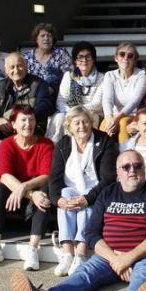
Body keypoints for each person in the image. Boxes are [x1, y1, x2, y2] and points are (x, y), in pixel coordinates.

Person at [9, 149, 146, 291]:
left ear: (144, 168)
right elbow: (91, 233)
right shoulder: (108, 192)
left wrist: (128, 258)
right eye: (126, 167)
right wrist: (115, 259)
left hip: (145, 257)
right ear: (117, 172)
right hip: (109, 256)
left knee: (143, 277)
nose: (132, 170)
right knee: (84, 274)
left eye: (137, 165)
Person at [0, 106, 53, 270]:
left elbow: (47, 174)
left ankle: (33, 248)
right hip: (16, 195)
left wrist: (24, 188)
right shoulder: (7, 144)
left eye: (32, 119)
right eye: (23, 120)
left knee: (45, 189)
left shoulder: (45, 144)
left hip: (33, 191)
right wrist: (30, 194)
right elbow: (4, 175)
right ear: (13, 124)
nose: (29, 124)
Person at [49, 106, 118, 277]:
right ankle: (67, 253)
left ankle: (80, 253)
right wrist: (57, 200)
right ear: (70, 127)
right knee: (65, 196)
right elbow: (54, 177)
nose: (82, 126)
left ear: (92, 122)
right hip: (70, 192)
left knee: (86, 206)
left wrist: (87, 198)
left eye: (86, 121)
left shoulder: (104, 141)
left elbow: (108, 178)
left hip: (95, 192)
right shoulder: (63, 143)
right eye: (77, 123)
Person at [0, 52, 54, 137]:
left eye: (19, 66)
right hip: (4, 133)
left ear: (26, 67)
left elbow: (45, 106)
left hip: (31, 132)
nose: (16, 70)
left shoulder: (38, 84)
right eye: (12, 67)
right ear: (6, 71)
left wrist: (17, 117)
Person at [47, 41, 104, 143]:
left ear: (93, 59)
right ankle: (57, 149)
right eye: (80, 57)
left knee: (84, 120)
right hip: (69, 111)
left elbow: (97, 104)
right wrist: (71, 113)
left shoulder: (101, 78)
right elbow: (61, 101)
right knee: (60, 118)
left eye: (88, 56)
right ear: (75, 61)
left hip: (91, 113)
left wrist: (78, 113)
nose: (84, 60)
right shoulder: (68, 76)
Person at [100, 42, 146, 143]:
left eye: (130, 56)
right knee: (105, 123)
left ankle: (125, 154)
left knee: (123, 122)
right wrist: (109, 118)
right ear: (116, 58)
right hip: (113, 115)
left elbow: (134, 101)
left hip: (134, 114)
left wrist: (117, 118)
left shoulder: (141, 75)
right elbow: (107, 100)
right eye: (122, 54)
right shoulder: (109, 75)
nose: (125, 58)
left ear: (135, 60)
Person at [21, 23, 72, 93]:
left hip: (56, 94)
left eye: (49, 36)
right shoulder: (27, 57)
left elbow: (68, 77)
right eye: (42, 35)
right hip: (32, 95)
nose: (46, 38)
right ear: (36, 39)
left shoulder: (61, 54)